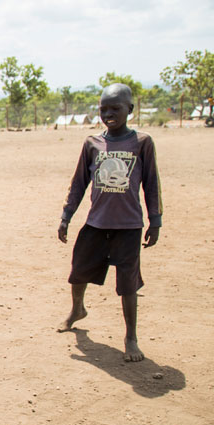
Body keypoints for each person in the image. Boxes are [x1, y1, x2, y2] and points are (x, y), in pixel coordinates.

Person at [57, 83, 163, 363]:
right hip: (96, 223)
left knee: (127, 284)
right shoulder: (93, 143)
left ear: (130, 109)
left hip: (128, 226)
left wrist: (156, 220)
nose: (108, 113)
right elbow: (79, 183)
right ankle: (77, 310)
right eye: (103, 109)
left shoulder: (141, 142)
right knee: (78, 271)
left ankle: (131, 337)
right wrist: (66, 216)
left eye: (115, 108)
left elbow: (151, 184)